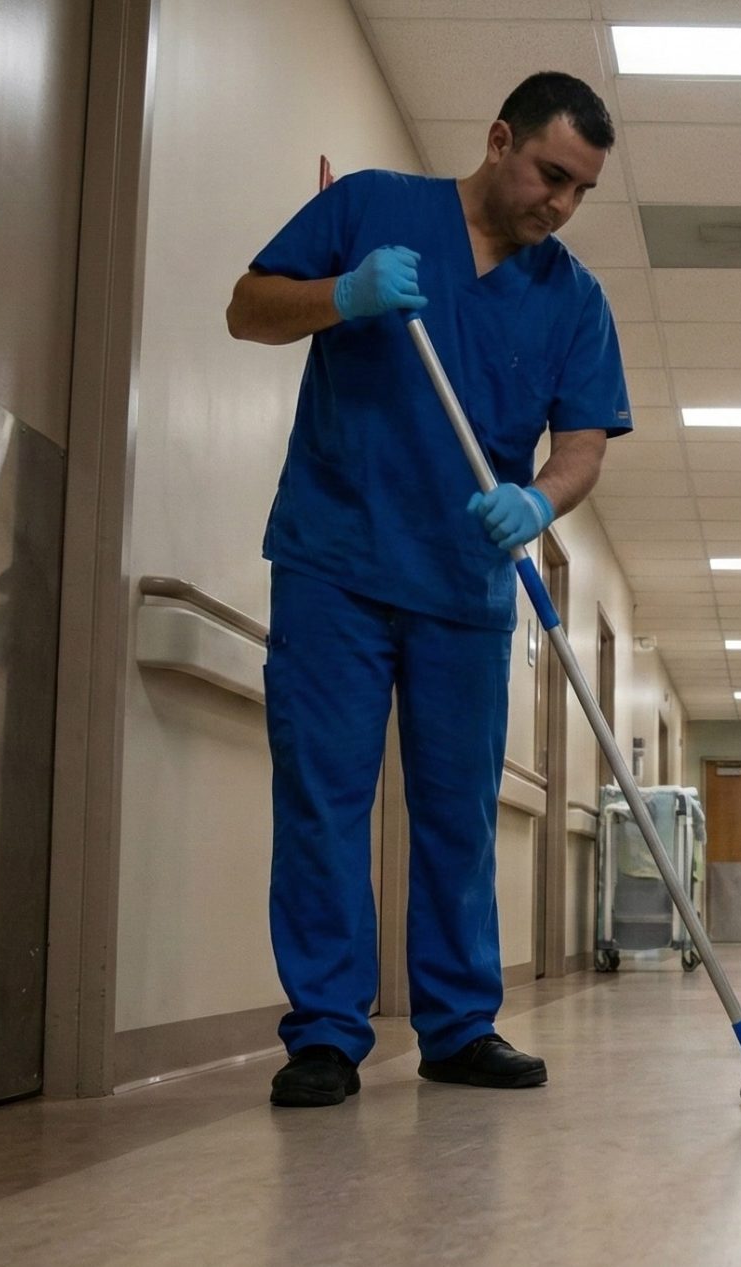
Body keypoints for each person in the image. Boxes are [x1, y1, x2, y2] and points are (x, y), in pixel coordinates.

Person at [224, 72, 630, 1107]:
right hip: (335, 562)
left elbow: (581, 447)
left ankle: (458, 1024)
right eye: (551, 175)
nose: (560, 205)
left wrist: (537, 505)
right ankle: (325, 1030)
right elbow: (250, 309)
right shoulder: (371, 208)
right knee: (324, 799)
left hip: (464, 583)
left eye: (582, 190)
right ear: (500, 140)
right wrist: (344, 295)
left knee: (457, 811)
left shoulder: (574, 299)